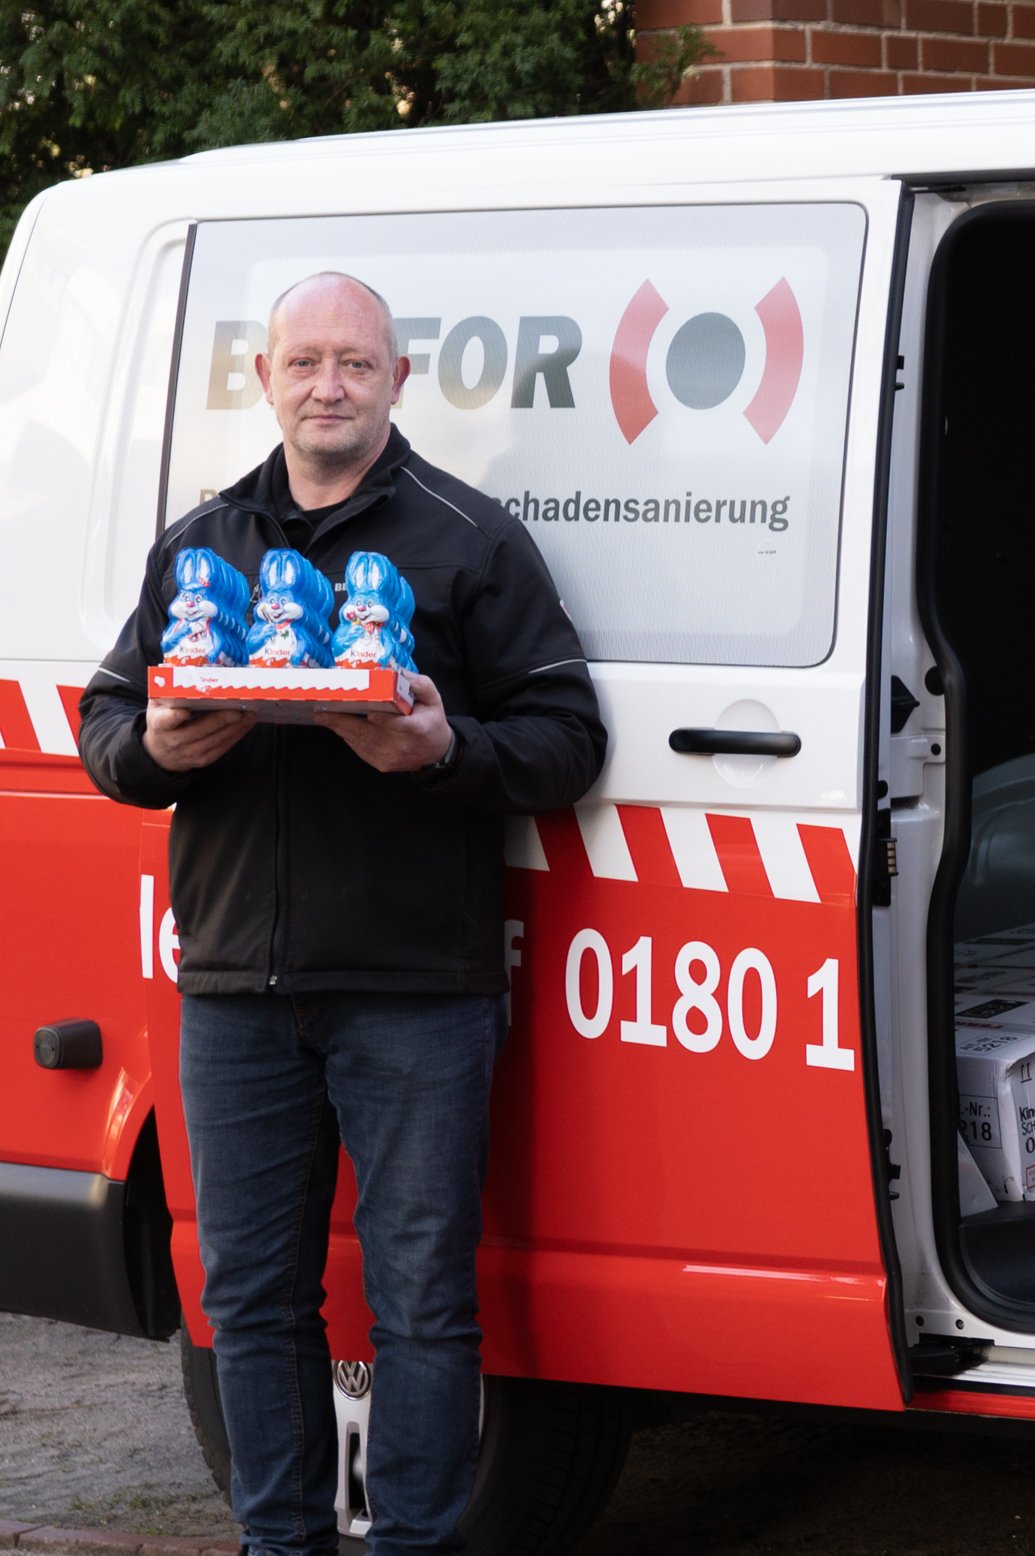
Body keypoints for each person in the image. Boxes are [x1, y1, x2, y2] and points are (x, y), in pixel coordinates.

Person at [78, 273, 607, 1556]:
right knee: (251, 1297)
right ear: (263, 378)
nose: (329, 384)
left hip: (416, 987)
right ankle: (279, 1543)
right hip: (233, 989)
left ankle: (416, 1544)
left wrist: (437, 749)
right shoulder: (200, 543)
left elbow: (564, 737)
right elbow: (103, 726)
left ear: (395, 382)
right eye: (305, 362)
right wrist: (158, 747)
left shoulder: (466, 538)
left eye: (355, 364)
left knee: (423, 1298)